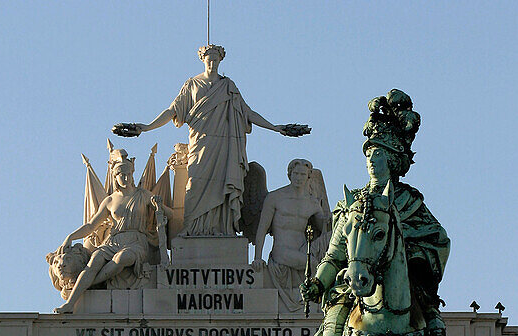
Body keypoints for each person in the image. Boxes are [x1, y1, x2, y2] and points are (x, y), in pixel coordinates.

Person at [299, 90, 451, 336]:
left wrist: (405, 255)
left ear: (393, 160)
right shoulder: (355, 204)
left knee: (435, 329)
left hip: (404, 289)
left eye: (378, 154)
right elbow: (335, 253)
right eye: (369, 153)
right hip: (353, 287)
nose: (371, 160)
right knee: (332, 327)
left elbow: (439, 241)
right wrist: (319, 283)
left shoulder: (411, 204)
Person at [114, 45, 309, 236]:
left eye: (216, 60)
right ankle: (192, 228)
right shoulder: (192, 85)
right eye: (209, 59)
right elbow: (172, 111)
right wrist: (146, 127)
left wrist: (276, 128)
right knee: (195, 184)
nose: (213, 63)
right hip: (201, 144)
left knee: (223, 185)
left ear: (220, 60)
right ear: (203, 60)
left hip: (225, 145)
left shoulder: (228, 86)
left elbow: (247, 113)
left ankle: (222, 229)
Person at [54, 153, 163, 313]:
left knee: (121, 259)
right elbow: (91, 225)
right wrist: (70, 237)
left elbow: (170, 214)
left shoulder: (144, 195)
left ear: (132, 174)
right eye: (121, 175)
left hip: (136, 242)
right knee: (94, 262)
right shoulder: (110, 201)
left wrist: (160, 207)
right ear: (115, 177)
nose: (125, 179)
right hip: (113, 241)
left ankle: (90, 284)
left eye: (128, 174)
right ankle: (70, 304)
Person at [252, 159, 331, 312]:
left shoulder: (312, 202)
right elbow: (262, 228)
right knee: (313, 264)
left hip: (303, 249)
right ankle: (314, 301)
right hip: (282, 251)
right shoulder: (275, 197)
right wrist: (257, 257)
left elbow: (323, 229)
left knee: (331, 239)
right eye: (295, 173)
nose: (298, 177)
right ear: (289, 175)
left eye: (303, 174)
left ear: (309, 177)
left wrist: (330, 218)